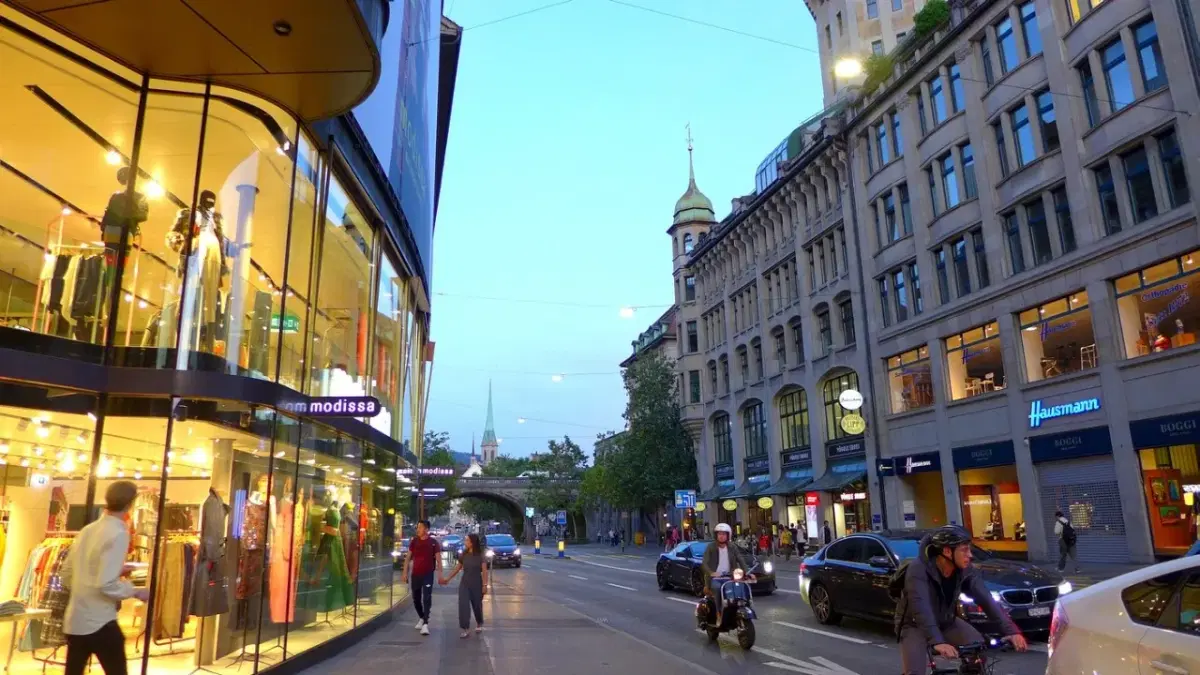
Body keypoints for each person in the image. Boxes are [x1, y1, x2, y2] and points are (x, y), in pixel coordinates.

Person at [895, 526, 1027, 675]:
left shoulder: (965, 569)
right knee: (914, 672)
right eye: (964, 550)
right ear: (947, 551)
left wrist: (1011, 631)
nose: (970, 555)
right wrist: (938, 642)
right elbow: (921, 608)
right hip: (915, 625)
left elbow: (986, 600)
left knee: (978, 652)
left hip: (946, 621)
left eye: (969, 549)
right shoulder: (918, 570)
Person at [61, 480, 150, 675]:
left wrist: (88, 584)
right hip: (100, 622)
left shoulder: (88, 530)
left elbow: (67, 573)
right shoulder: (118, 532)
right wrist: (135, 591)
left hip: (75, 620)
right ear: (131, 503)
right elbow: (106, 584)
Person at [440, 533, 488, 638]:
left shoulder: (480, 556)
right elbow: (457, 568)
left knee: (477, 605)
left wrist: (485, 585)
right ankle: (465, 628)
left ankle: (479, 622)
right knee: (463, 605)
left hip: (477, 583)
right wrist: (447, 579)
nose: (465, 542)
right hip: (465, 583)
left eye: (467, 540)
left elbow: (484, 571)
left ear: (472, 543)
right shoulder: (464, 555)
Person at [700, 523, 752, 620]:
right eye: (719, 534)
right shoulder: (711, 547)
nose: (721, 536)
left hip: (730, 576)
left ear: (728, 535)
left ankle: (743, 607)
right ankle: (718, 613)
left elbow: (740, 559)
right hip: (715, 578)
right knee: (718, 588)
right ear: (716, 535)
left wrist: (747, 572)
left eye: (724, 534)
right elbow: (704, 563)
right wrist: (711, 573)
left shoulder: (732, 547)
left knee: (741, 587)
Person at [402, 520, 441, 635]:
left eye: (420, 527)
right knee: (416, 598)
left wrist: (440, 575)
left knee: (427, 598)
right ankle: (422, 617)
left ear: (426, 529)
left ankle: (425, 624)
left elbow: (439, 560)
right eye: (417, 527)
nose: (418, 529)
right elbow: (408, 558)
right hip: (416, 574)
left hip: (428, 574)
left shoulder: (433, 543)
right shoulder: (414, 542)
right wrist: (405, 572)